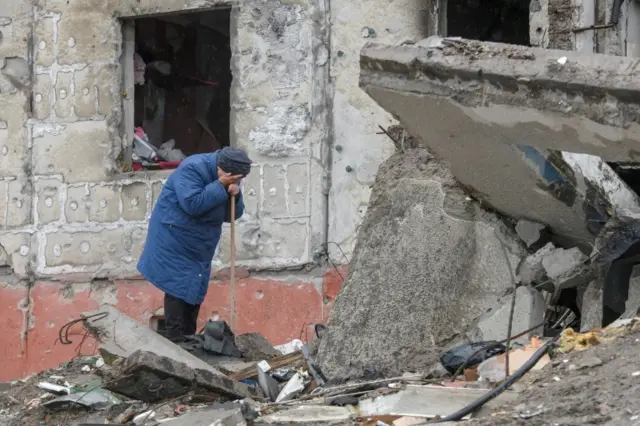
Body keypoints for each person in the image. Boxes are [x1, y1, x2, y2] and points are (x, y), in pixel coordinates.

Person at [137, 147, 252, 343]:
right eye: (232, 178)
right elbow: (192, 204)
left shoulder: (230, 174)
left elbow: (231, 215)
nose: (234, 181)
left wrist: (236, 194)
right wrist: (219, 185)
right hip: (174, 236)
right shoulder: (192, 168)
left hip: (200, 241)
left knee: (195, 287)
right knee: (177, 285)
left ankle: (188, 337)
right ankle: (175, 339)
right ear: (220, 167)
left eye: (237, 179)